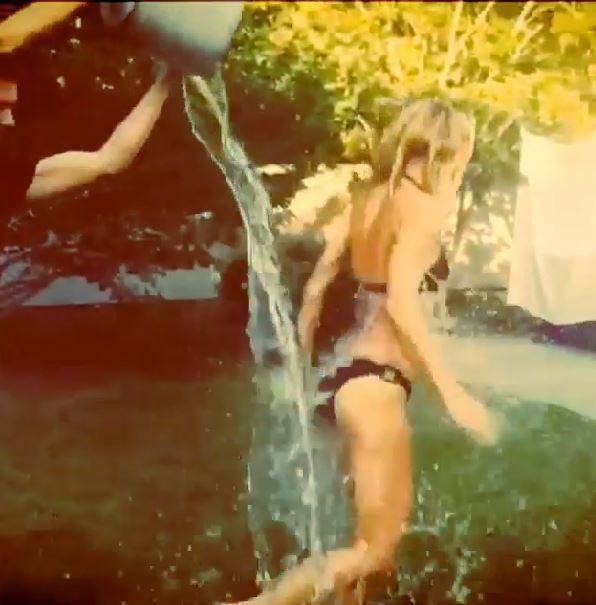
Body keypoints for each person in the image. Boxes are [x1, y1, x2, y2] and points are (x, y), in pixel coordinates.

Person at [230, 99, 500, 605]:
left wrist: (301, 377)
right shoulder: (422, 210)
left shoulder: (366, 201)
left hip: (343, 378)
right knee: (374, 551)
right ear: (450, 151)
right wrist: (454, 396)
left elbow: (314, 292)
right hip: (377, 386)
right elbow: (401, 304)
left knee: (366, 556)